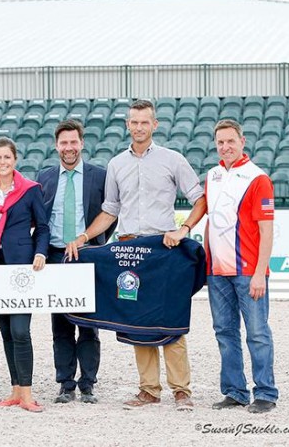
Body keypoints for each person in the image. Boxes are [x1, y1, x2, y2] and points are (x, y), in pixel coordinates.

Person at [66, 99, 206, 411]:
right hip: (129, 249)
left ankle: (181, 390)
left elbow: (200, 199)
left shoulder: (173, 160)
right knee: (137, 320)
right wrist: (85, 236)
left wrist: (184, 230)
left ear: (154, 125)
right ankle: (149, 390)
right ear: (127, 125)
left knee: (169, 319)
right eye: (134, 122)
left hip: (162, 250)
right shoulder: (116, 164)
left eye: (145, 122)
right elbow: (110, 210)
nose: (139, 127)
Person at [0, 137, 50, 413]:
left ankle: (27, 394)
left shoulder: (30, 190)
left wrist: (41, 252)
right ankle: (15, 390)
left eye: (7, 157)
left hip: (22, 267)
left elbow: (42, 227)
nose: (2, 162)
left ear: (15, 160)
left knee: (20, 330)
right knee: (5, 331)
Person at [37, 119, 113, 404]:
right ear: (56, 146)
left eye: (73, 142)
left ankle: (88, 383)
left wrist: (95, 241)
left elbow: (110, 214)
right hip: (56, 256)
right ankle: (65, 383)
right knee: (61, 324)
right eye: (63, 143)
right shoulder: (44, 178)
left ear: (82, 143)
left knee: (89, 323)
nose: (69, 148)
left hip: (88, 254)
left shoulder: (99, 176)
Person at [206, 119, 278, 414]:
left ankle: (265, 392)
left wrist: (260, 271)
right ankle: (235, 391)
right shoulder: (212, 175)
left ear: (242, 141)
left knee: (258, 333)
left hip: (249, 271)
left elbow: (267, 230)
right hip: (217, 271)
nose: (225, 147)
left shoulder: (257, 178)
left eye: (230, 141)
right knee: (224, 332)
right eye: (220, 142)